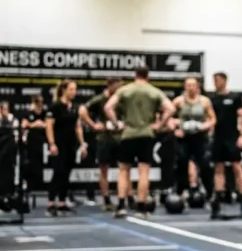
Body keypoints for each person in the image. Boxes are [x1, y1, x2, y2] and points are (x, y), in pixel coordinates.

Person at [104, 66, 175, 218]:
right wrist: (160, 125)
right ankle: (141, 208)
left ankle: (121, 206)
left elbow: (108, 107)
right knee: (144, 171)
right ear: (147, 76)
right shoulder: (153, 91)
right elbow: (170, 108)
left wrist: (116, 124)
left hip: (128, 133)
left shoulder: (125, 90)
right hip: (146, 133)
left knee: (124, 170)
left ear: (134, 75)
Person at [208, 72, 242, 219]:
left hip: (232, 137)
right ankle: (218, 201)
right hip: (218, 138)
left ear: (225, 81)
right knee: (218, 169)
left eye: (218, 80)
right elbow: (210, 119)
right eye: (214, 80)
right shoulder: (212, 99)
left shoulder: (235, 97)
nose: (216, 83)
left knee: (237, 167)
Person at [170, 76, 216, 201]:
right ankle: (180, 192)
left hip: (200, 138)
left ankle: (210, 193)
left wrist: (203, 126)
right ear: (185, 87)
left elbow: (212, 119)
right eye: (188, 85)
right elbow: (167, 116)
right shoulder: (178, 101)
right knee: (182, 163)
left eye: (193, 85)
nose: (191, 88)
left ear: (198, 87)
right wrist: (175, 128)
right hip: (184, 138)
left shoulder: (204, 101)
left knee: (205, 165)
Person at [80, 78, 123, 210]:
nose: (119, 88)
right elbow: (82, 110)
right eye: (117, 86)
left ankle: (126, 197)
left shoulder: (120, 98)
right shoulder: (99, 99)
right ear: (110, 85)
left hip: (120, 137)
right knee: (104, 169)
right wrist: (93, 125)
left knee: (124, 168)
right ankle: (106, 199)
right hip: (104, 138)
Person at [45, 80, 87, 216]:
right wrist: (52, 144)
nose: (74, 92)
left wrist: (82, 144)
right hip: (59, 144)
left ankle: (62, 202)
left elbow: (77, 127)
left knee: (67, 173)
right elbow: (49, 126)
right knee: (58, 172)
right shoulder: (55, 107)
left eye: (75, 90)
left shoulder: (74, 107)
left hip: (71, 144)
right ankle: (51, 202)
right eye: (71, 89)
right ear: (64, 90)